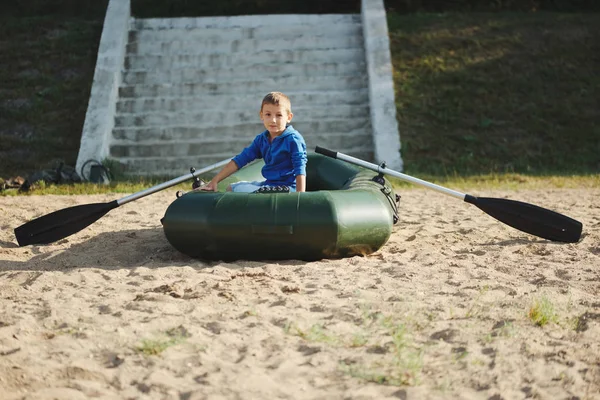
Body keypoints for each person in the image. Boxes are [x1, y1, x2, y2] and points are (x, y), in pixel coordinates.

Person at [199, 92, 307, 193]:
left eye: (279, 115)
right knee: (231, 188)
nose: (273, 120)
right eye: (268, 114)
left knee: (244, 191)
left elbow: (300, 168)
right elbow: (241, 159)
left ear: (289, 117)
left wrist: (299, 198)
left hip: (286, 188)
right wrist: (215, 181)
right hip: (269, 184)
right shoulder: (262, 139)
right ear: (261, 116)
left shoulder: (293, 139)